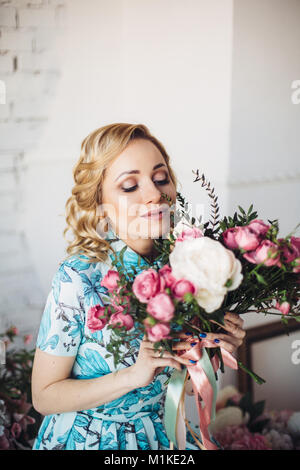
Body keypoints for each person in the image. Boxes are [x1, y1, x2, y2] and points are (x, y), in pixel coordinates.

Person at [31, 123, 246, 450]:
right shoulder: (78, 277)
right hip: (88, 439)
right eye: (130, 185)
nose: (155, 193)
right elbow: (44, 397)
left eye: (161, 179)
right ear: (99, 201)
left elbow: (186, 387)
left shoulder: (189, 265)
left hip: (162, 436)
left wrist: (216, 350)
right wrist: (133, 375)